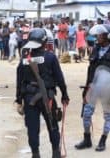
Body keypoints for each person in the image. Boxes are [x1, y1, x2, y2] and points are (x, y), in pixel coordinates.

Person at [16, 28, 70, 158]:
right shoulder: (50, 57)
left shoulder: (24, 59)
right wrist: (64, 94)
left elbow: (19, 81)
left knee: (32, 129)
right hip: (48, 97)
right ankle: (56, 153)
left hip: (29, 98)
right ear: (44, 42)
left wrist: (19, 100)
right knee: (53, 126)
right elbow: (59, 78)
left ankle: (35, 154)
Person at [75, 24, 110, 152]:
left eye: (100, 35)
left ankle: (103, 140)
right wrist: (87, 87)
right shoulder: (95, 49)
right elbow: (90, 69)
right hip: (93, 87)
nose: (97, 37)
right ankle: (87, 139)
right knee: (86, 114)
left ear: (107, 36)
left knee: (108, 116)